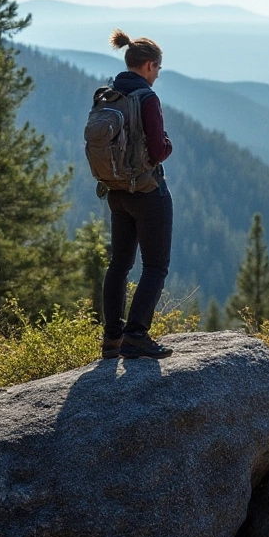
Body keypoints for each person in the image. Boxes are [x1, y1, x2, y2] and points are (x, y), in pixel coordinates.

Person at [101, 29, 174, 359]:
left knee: (119, 265)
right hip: (147, 191)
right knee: (155, 266)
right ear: (147, 66)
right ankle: (136, 336)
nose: (158, 74)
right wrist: (169, 144)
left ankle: (112, 338)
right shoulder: (147, 98)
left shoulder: (110, 95)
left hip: (117, 191)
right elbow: (158, 150)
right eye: (158, 68)